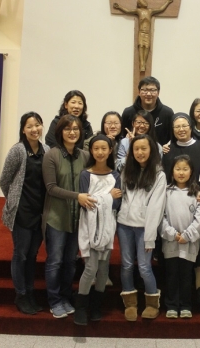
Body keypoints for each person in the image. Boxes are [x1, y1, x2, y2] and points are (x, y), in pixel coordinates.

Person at [42, 114, 94, 319]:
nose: (72, 132)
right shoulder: (52, 155)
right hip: (57, 217)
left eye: (76, 129)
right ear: (60, 132)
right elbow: (51, 188)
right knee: (55, 261)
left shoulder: (85, 156)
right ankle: (54, 301)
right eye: (67, 129)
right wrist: (77, 196)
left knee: (71, 261)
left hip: (78, 219)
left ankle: (65, 297)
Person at [0, 112, 49, 315]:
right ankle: (20, 295)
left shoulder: (46, 150)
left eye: (37, 125)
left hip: (40, 212)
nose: (34, 129)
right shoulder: (18, 150)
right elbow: (4, 180)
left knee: (32, 255)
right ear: (23, 130)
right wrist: (13, 201)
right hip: (22, 212)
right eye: (30, 126)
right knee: (20, 254)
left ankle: (30, 292)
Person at [161, 113, 200, 304]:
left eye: (184, 126)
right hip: (173, 199)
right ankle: (173, 300)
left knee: (194, 254)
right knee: (172, 268)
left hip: (195, 195)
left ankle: (196, 289)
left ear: (191, 127)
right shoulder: (168, 149)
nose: (181, 129)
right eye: (177, 127)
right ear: (172, 130)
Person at [117, 134, 167, 321]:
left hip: (145, 228)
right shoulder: (126, 170)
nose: (140, 152)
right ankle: (130, 302)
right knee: (127, 265)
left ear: (151, 150)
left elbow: (156, 207)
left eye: (144, 148)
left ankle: (152, 303)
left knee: (145, 266)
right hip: (124, 225)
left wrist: (150, 236)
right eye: (136, 149)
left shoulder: (159, 174)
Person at [74, 134, 122, 326]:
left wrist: (103, 198)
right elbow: (87, 203)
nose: (100, 152)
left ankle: (96, 306)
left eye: (104, 148)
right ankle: (80, 307)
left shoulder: (115, 175)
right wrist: (108, 196)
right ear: (91, 151)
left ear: (110, 151)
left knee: (103, 269)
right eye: (96, 149)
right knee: (91, 267)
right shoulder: (86, 175)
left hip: (108, 226)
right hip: (90, 226)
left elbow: (116, 204)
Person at [159, 155, 200, 319]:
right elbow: (160, 217)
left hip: (189, 243)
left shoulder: (197, 193)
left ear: (191, 171)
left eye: (185, 169)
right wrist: (172, 234)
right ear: (172, 171)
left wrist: (187, 235)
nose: (181, 172)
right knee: (171, 275)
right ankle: (171, 305)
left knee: (186, 276)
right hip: (171, 242)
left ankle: (186, 305)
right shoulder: (166, 192)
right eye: (178, 169)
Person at [113, 0, 174, 72]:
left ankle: (144, 63)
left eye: (145, 0)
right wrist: (119, 7)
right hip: (141, 32)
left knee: (147, 47)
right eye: (143, 1)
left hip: (147, 33)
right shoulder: (139, 11)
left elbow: (161, 9)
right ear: (139, 4)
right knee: (141, 46)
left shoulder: (150, 11)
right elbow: (128, 11)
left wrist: (168, 2)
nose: (145, 2)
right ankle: (141, 63)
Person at [121, 76, 174, 145]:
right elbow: (122, 136)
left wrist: (166, 147)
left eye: (152, 90)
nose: (148, 94)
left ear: (158, 92)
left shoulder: (167, 113)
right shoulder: (128, 112)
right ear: (139, 92)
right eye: (145, 90)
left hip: (161, 151)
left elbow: (172, 137)